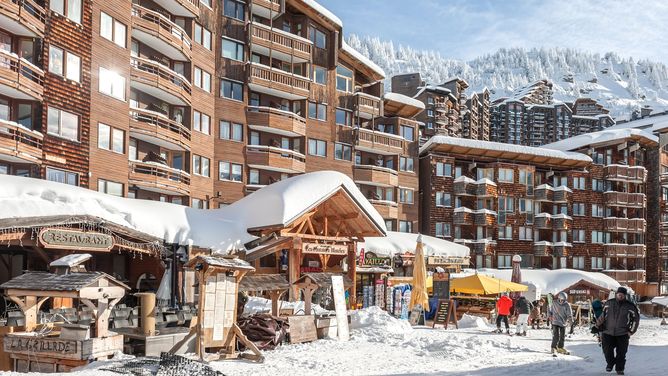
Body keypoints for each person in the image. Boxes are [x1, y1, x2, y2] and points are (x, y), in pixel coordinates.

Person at [596, 287, 640, 375]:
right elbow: (603, 315)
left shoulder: (630, 306)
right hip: (608, 331)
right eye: (619, 294)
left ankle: (619, 369)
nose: (620, 296)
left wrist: (631, 331)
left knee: (621, 352)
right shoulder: (609, 303)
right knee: (607, 350)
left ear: (625, 296)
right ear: (616, 294)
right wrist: (597, 325)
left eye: (622, 295)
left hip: (623, 333)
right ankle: (610, 363)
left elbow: (636, 319)